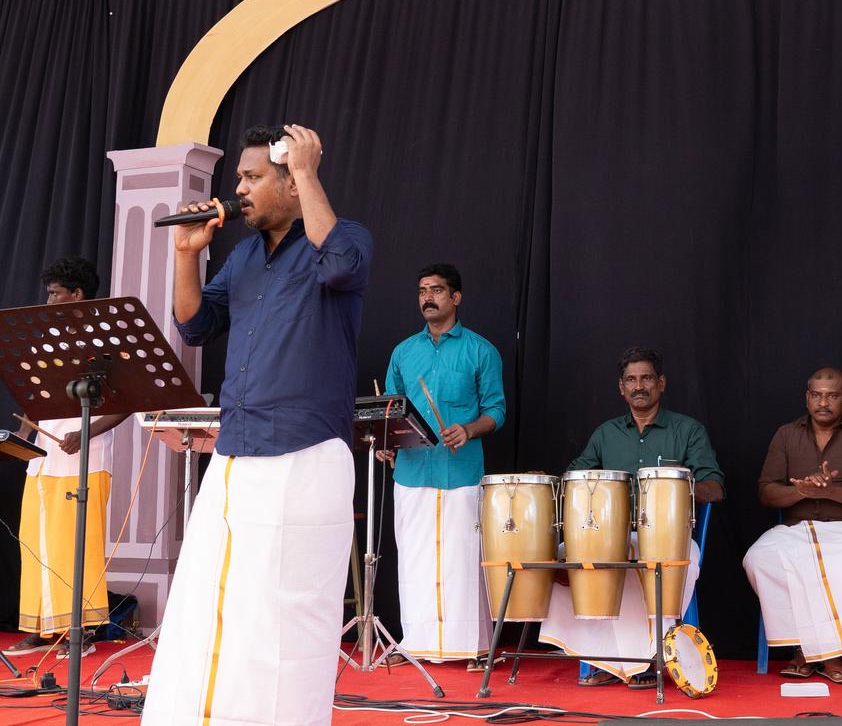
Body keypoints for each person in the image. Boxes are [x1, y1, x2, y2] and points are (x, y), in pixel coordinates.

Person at [140, 124, 372, 726]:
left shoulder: (342, 238)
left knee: (283, 619)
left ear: (291, 185)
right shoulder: (241, 256)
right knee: (212, 604)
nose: (238, 189)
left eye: (252, 177)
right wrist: (186, 254)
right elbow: (193, 325)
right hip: (236, 450)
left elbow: (341, 266)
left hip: (304, 452)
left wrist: (307, 170)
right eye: (237, 177)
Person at [538, 347, 725, 689]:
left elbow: (715, 487)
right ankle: (602, 658)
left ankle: (640, 662)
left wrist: (674, 487)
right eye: (631, 380)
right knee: (565, 558)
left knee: (646, 559)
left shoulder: (687, 430)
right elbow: (573, 478)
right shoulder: (606, 433)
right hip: (609, 535)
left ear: (661, 383)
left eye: (647, 378)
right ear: (621, 388)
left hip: (669, 537)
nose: (639, 386)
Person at [2, 257, 129, 660]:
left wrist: (86, 431)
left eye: (56, 292)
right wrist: (22, 436)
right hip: (43, 458)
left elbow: (129, 400)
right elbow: (36, 396)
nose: (49, 299)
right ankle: (41, 630)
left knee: (77, 547)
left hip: (84, 460)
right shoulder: (47, 335)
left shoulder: (104, 335)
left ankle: (83, 631)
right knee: (36, 543)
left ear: (77, 294)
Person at [379, 263, 505, 669]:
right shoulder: (403, 352)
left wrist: (468, 430)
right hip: (412, 470)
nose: (427, 298)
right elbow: (391, 410)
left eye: (436, 290)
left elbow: (496, 411)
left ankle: (472, 646)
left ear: (456, 297)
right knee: (414, 559)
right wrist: (386, 441)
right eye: (421, 291)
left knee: (462, 560)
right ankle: (416, 643)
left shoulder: (481, 351)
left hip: (461, 471)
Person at [742, 367, 842, 684]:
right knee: (760, 558)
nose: (824, 402)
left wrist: (831, 491)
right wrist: (800, 491)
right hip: (796, 529)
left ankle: (828, 654)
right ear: (807, 398)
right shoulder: (786, 435)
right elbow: (766, 492)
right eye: (817, 395)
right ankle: (809, 650)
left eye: (832, 395)